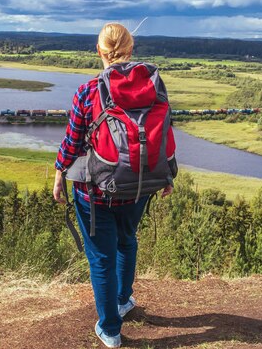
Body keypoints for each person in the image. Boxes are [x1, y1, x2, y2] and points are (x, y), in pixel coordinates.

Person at [53, 23, 173, 348]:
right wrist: (167, 174)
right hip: (139, 185)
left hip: (96, 192)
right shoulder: (152, 86)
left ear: (99, 51)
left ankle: (110, 330)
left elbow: (72, 143)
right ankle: (123, 300)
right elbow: (162, 132)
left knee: (101, 259)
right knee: (127, 240)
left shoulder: (89, 91)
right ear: (131, 50)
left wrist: (59, 173)